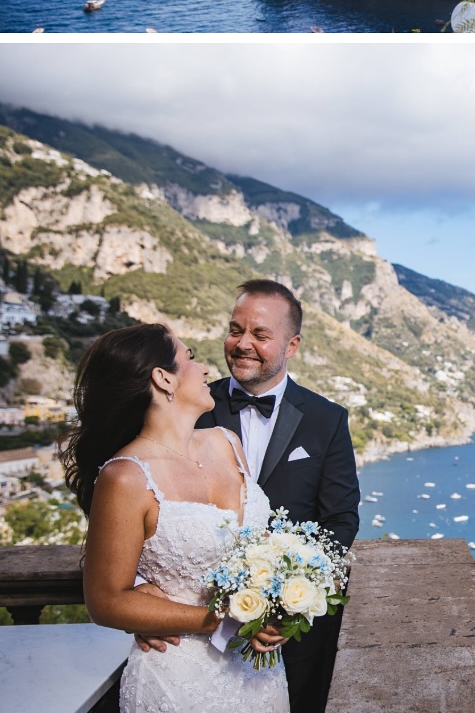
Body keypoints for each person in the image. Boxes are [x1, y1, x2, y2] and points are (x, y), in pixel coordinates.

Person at [63, 323, 290, 713]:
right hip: (178, 677)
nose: (205, 370)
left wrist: (276, 610)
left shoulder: (227, 443)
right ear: (163, 378)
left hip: (259, 676)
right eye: (191, 358)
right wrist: (223, 619)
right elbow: (103, 601)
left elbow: (256, 552)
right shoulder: (126, 476)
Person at [195, 280, 360, 713]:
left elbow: (340, 519)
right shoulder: (192, 408)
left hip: (287, 637)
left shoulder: (327, 419)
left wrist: (291, 602)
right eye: (235, 330)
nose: (242, 343)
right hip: (195, 625)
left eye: (260, 335)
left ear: (292, 346)